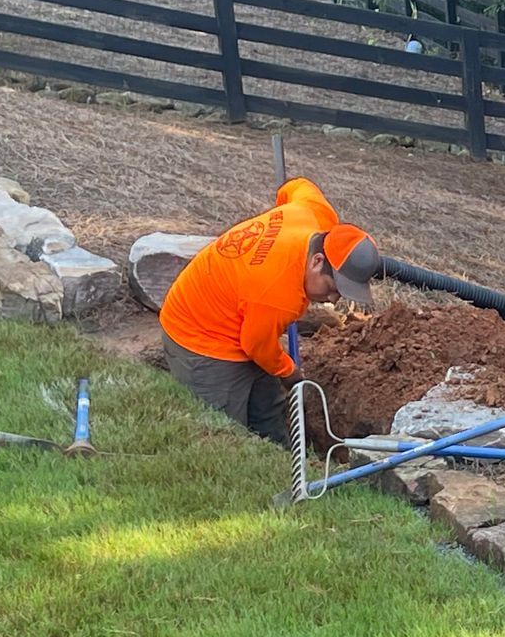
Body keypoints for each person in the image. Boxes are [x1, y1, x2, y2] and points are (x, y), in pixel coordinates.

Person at [159, 178, 379, 441]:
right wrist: (289, 372)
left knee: (268, 410)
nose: (332, 300)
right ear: (318, 261)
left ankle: (282, 462)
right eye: (332, 287)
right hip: (202, 338)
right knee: (223, 432)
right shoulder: (277, 293)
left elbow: (297, 185)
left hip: (242, 315)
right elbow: (255, 344)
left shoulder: (316, 215)